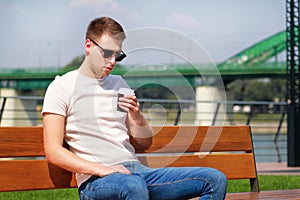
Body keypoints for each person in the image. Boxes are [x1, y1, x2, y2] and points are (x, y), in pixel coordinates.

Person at [42, 16, 227, 200]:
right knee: (133, 186)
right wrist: (103, 169)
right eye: (107, 53)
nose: (113, 61)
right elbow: (53, 151)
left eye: (118, 55)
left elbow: (144, 143)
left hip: (137, 172)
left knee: (214, 179)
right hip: (96, 180)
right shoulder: (62, 86)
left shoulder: (120, 84)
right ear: (88, 46)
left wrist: (136, 115)